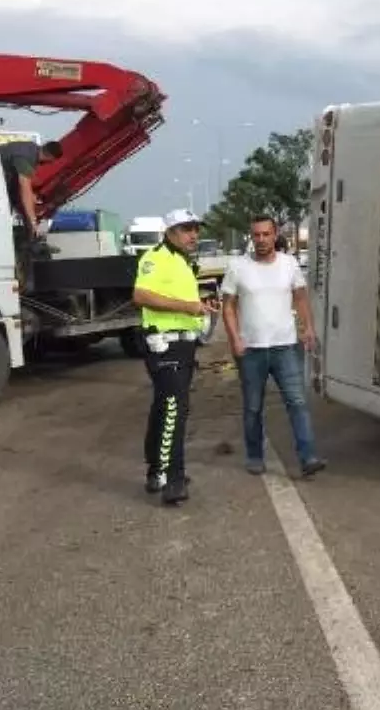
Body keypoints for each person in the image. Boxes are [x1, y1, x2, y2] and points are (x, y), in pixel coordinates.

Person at [221, 214, 326, 478]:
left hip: (286, 347)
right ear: (251, 236)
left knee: (297, 402)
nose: (261, 240)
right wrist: (235, 338)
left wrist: (308, 328)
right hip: (251, 350)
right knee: (253, 407)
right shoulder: (238, 266)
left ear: (275, 233)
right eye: (256, 235)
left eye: (266, 234)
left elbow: (300, 299)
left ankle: (308, 456)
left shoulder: (289, 264)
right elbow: (228, 307)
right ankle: (255, 456)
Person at [132, 208, 220, 505]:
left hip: (183, 344)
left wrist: (200, 307)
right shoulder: (155, 257)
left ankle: (157, 471)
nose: (194, 234)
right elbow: (141, 296)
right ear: (170, 232)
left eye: (196, 228)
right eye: (186, 229)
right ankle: (174, 478)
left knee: (163, 408)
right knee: (174, 410)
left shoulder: (183, 261)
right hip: (163, 345)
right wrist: (187, 307)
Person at [0, 139, 64, 290]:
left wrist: (32, 201)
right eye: (51, 162)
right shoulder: (25, 156)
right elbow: (24, 187)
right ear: (50, 157)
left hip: (0, 191)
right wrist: (33, 222)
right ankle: (20, 278)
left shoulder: (29, 150)